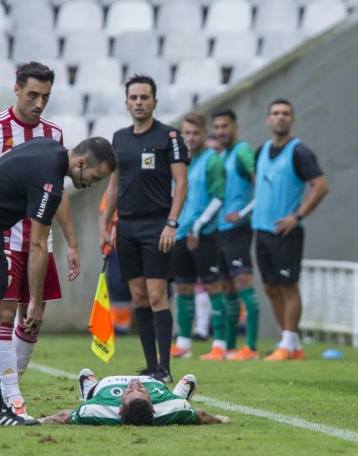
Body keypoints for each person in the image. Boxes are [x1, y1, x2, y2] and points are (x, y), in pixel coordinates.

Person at [0, 136, 114, 426]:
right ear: (81, 162)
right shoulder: (50, 180)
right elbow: (38, 245)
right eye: (95, 177)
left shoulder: (47, 146)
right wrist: (35, 303)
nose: (94, 184)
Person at [0, 62, 80, 419]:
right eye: (32, 95)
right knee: (2, 314)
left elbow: (58, 193)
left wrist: (72, 242)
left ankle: (10, 389)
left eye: (45, 97)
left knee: (33, 319)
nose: (39, 103)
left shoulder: (53, 134)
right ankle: (9, 397)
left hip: (39, 239)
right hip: (0, 237)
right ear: (16, 89)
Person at [99, 75, 189, 381]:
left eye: (144, 97)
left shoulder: (169, 136)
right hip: (126, 226)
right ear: (126, 103)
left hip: (157, 225)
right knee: (138, 297)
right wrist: (105, 225)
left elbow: (181, 183)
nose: (139, 102)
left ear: (154, 101)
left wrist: (171, 223)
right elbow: (114, 185)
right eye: (134, 98)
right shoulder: (119, 138)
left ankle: (165, 368)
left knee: (156, 295)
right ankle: (151, 367)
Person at [250, 100, 329, 362]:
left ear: (292, 120)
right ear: (268, 119)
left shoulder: (300, 152)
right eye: (275, 113)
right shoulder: (261, 151)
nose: (280, 117)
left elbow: (321, 186)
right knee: (270, 287)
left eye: (285, 113)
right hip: (261, 230)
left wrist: (297, 216)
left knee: (288, 286)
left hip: (286, 232)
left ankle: (287, 342)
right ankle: (290, 344)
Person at [170, 112, 226, 359]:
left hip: (204, 234)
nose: (191, 138)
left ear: (204, 133)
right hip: (180, 232)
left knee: (212, 285)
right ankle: (183, 342)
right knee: (183, 285)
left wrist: (198, 225)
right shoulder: (178, 161)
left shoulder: (213, 161)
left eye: (195, 133)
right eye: (187, 133)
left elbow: (218, 198)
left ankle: (220, 343)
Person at [208, 109, 261, 361]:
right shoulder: (223, 155)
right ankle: (229, 347)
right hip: (220, 230)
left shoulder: (242, 151)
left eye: (225, 126)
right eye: (217, 127)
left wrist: (243, 212)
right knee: (227, 287)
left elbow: (261, 182)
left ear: (235, 127)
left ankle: (250, 347)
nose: (221, 131)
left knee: (242, 283)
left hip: (238, 230)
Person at [38, 370, 229, 425]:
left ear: (120, 408)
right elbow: (201, 414)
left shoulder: (98, 411)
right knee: (189, 381)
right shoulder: (169, 409)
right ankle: (179, 395)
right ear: (152, 406)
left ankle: (87, 390)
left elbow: (65, 416)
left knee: (86, 375)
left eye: (129, 392)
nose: (134, 385)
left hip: (105, 385)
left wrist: (44, 419)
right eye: (142, 392)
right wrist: (219, 419)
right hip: (159, 389)